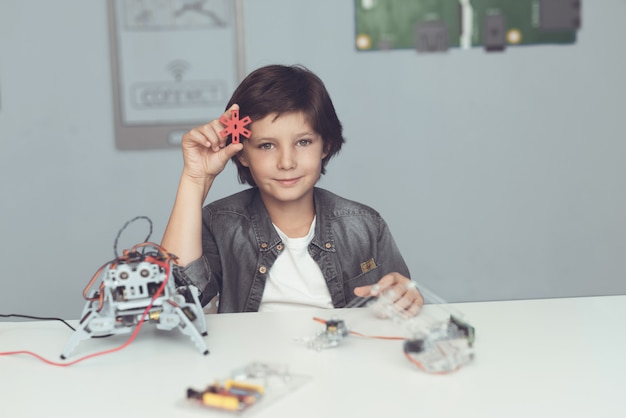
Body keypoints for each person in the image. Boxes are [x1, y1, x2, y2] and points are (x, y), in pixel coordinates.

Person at [162, 64, 423, 315]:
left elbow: (400, 304)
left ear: (325, 146)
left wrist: (406, 297)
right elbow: (174, 299)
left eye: (303, 142)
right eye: (266, 145)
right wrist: (194, 178)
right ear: (241, 153)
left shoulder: (364, 226)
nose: (286, 162)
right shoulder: (219, 224)